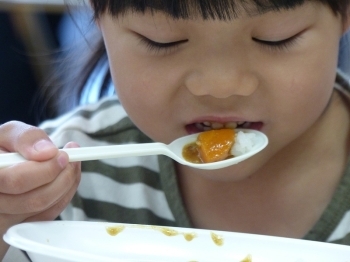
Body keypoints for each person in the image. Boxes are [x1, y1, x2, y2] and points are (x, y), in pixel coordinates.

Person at [1, 0, 350, 260]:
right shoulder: (62, 174)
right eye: (162, 41)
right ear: (98, 18)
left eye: (275, 38)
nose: (221, 85)